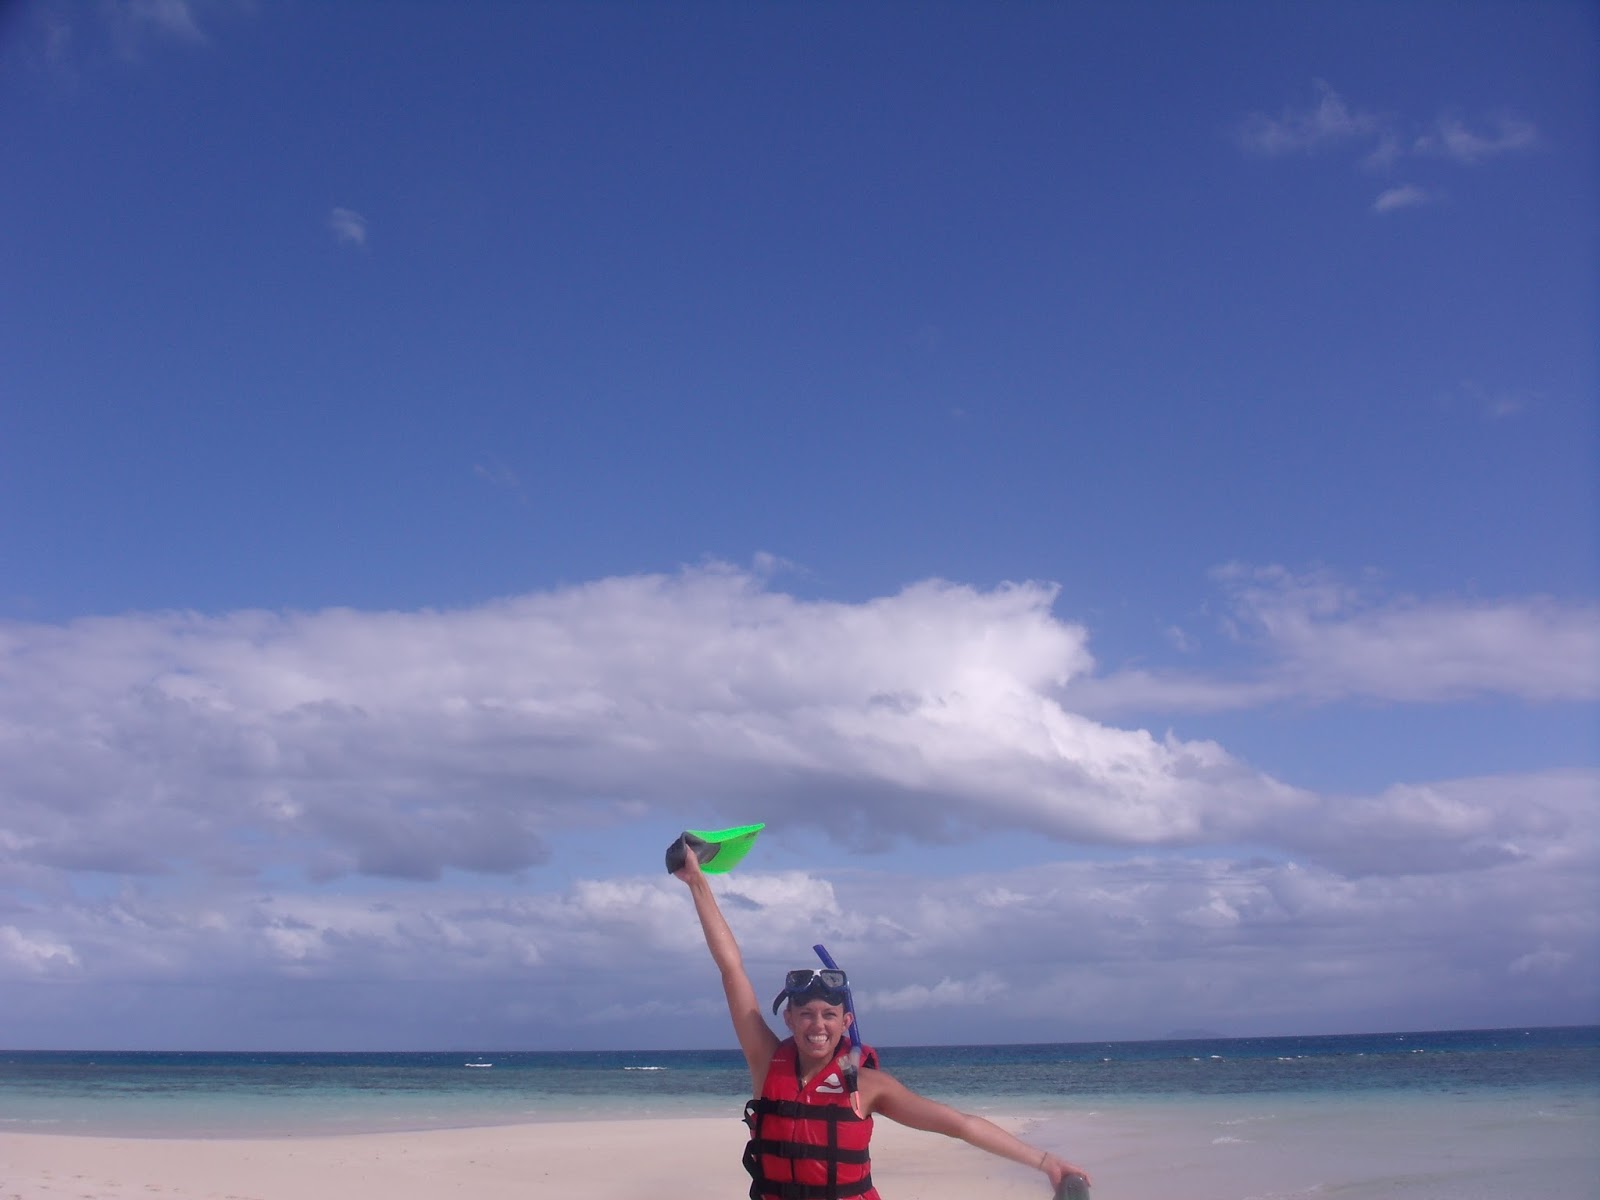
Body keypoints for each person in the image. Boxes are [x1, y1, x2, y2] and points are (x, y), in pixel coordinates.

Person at [674, 846, 1093, 1199]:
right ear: (789, 1019)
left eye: (828, 1015)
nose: (817, 1025)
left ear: (845, 1021)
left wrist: (1046, 1162)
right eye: (805, 1014)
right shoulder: (766, 1062)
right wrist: (697, 883)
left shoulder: (868, 1086)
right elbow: (731, 969)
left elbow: (960, 1125)